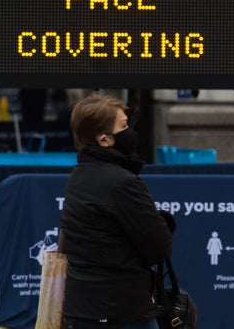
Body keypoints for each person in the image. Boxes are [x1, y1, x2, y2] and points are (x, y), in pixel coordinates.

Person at [60, 92, 173, 329]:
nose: (131, 132)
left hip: (85, 309)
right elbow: (159, 246)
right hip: (122, 311)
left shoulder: (79, 176)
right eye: (124, 126)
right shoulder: (122, 182)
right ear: (105, 140)